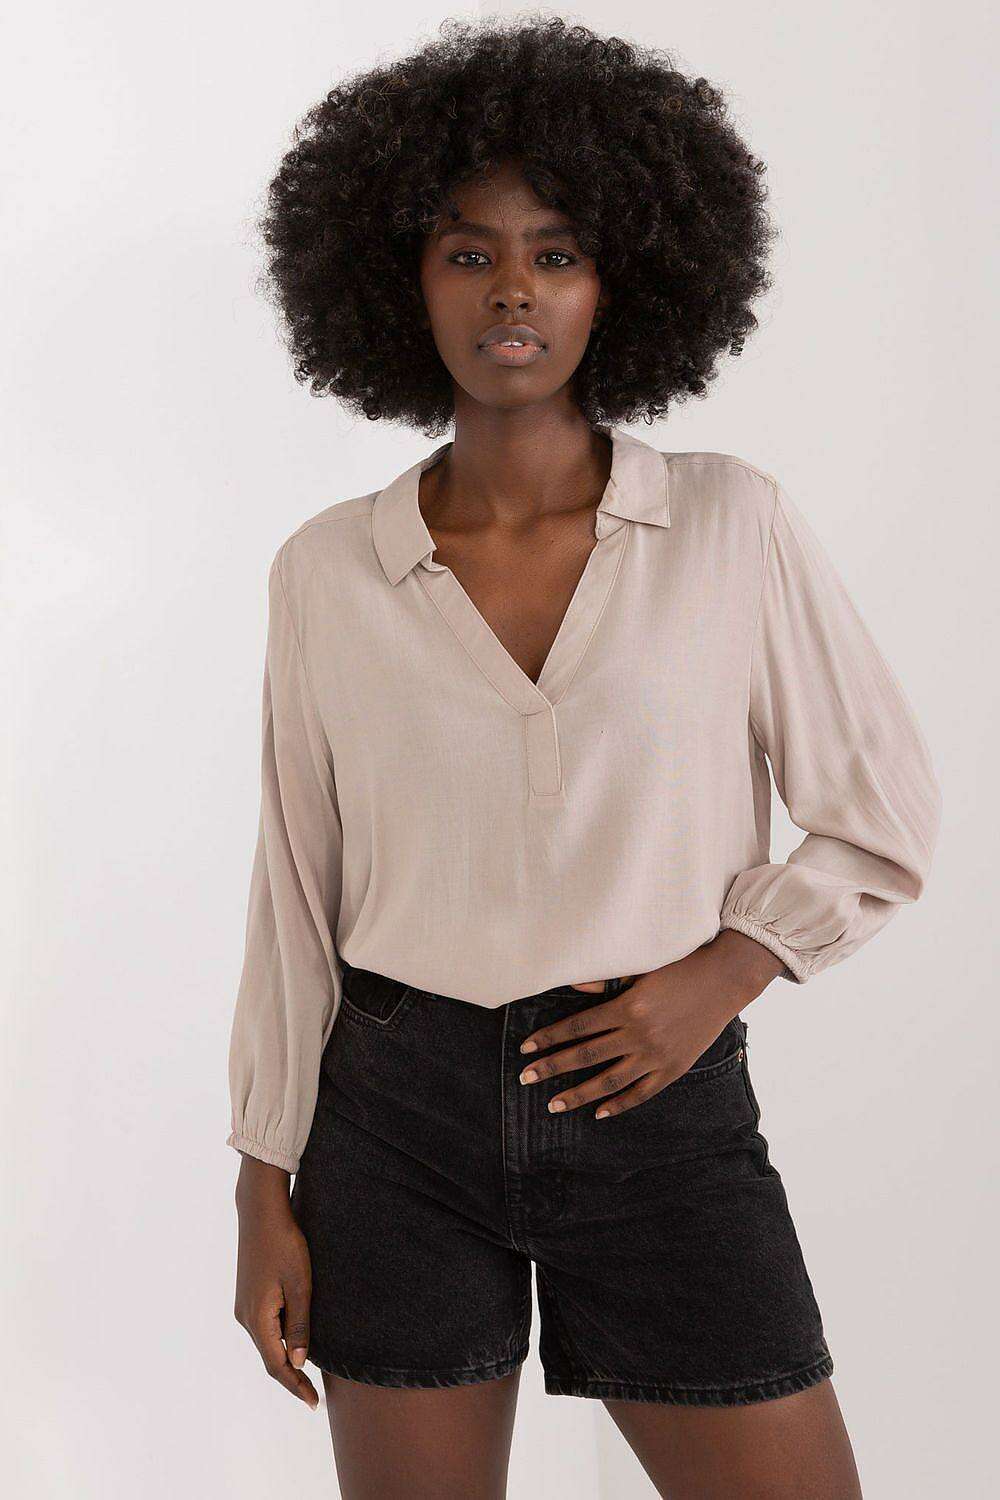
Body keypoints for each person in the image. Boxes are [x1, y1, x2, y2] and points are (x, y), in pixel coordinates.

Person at [226, 17, 940, 1498]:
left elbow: (880, 815)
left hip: (657, 1102)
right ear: (400, 283)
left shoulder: (730, 523)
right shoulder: (327, 572)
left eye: (556, 254)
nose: (513, 290)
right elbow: (295, 893)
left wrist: (723, 975)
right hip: (394, 1120)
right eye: (468, 253)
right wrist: (261, 1181)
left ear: (623, 283)